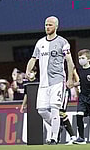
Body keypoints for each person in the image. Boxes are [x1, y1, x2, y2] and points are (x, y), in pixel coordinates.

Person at [25, 16, 75, 145]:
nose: (47, 27)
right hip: (43, 83)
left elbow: (70, 62)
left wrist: (70, 79)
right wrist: (28, 71)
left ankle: (53, 138)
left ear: (56, 26)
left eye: (50, 25)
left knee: (54, 109)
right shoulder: (40, 42)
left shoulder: (63, 42)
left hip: (57, 81)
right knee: (41, 110)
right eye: (46, 25)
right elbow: (33, 58)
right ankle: (56, 127)